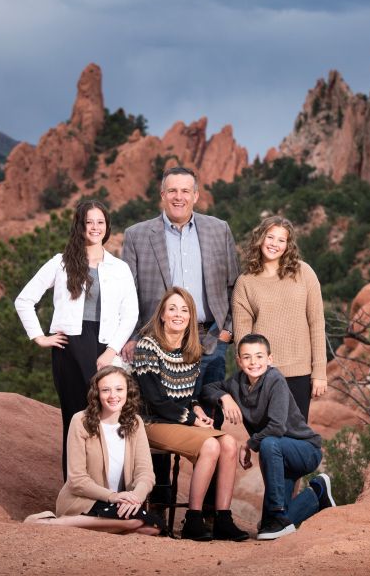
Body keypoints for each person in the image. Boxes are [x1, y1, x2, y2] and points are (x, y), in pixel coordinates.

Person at [15, 200, 138, 478]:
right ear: (80, 226)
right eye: (89, 222)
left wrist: (112, 351)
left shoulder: (119, 268)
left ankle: (108, 490)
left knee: (108, 418)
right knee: (75, 417)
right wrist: (39, 336)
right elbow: (24, 299)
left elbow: (131, 313)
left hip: (105, 348)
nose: (95, 228)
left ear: (107, 227)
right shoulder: (61, 263)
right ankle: (74, 490)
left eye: (100, 222)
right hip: (69, 349)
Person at [132, 287, 249, 542]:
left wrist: (196, 408)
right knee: (209, 445)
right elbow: (156, 400)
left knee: (229, 443)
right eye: (172, 308)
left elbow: (189, 395)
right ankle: (193, 520)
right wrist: (194, 420)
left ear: (191, 316)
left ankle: (222, 518)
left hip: (179, 422)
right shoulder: (147, 347)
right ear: (162, 314)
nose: (178, 314)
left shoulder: (191, 349)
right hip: (151, 422)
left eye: (184, 310)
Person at [201, 334, 336, 540]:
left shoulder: (275, 380)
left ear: (269, 359)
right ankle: (316, 494)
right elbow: (208, 388)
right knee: (268, 529)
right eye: (247, 357)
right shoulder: (237, 383)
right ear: (239, 361)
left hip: (304, 450)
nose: (253, 362)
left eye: (259, 356)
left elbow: (276, 427)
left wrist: (248, 444)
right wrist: (225, 397)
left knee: (268, 443)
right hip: (278, 455)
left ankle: (278, 514)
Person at [121, 165, 240, 387]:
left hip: (211, 339)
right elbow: (128, 295)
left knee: (209, 407)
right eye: (172, 191)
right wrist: (133, 337)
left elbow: (234, 285)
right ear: (163, 195)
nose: (179, 197)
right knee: (165, 410)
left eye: (185, 191)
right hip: (157, 340)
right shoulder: (136, 235)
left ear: (195, 195)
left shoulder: (219, 229)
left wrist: (228, 331)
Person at [24, 366, 163, 535]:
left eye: (119, 389)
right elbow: (77, 480)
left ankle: (100, 526)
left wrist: (135, 498)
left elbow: (145, 473)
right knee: (136, 522)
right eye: (106, 390)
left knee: (152, 528)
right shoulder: (80, 421)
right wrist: (112, 496)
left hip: (121, 501)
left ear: (128, 391)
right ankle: (52, 523)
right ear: (97, 393)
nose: (113, 396)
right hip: (84, 499)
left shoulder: (135, 422)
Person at [232, 216, 327, 421]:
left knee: (295, 437)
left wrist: (319, 372)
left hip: (300, 373)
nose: (274, 244)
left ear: (288, 245)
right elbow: (242, 338)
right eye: (270, 237)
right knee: (270, 439)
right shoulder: (246, 282)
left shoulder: (304, 273)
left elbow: (317, 323)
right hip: (263, 375)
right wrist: (250, 376)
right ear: (260, 239)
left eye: (281, 240)